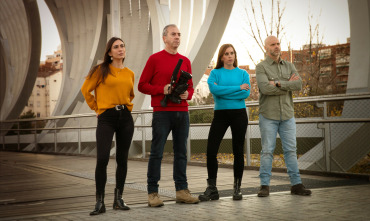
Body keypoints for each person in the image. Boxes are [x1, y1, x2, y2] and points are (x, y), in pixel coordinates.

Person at [138, 24, 199, 207]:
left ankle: (182, 191)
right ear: (164, 38)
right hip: (162, 113)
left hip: (182, 112)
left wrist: (188, 94)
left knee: (181, 153)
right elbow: (142, 85)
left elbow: (190, 86)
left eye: (179, 34)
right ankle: (153, 193)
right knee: (156, 153)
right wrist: (161, 89)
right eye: (173, 34)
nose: (177, 37)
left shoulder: (185, 60)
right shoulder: (154, 59)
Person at [81, 37, 135, 215]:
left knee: (122, 159)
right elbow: (85, 90)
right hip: (106, 117)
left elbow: (130, 95)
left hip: (125, 118)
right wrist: (96, 108)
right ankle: (100, 202)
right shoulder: (100, 70)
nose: (120, 49)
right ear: (110, 52)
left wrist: (126, 107)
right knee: (102, 158)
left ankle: (118, 199)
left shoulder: (130, 73)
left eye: (122, 46)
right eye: (116, 47)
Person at [255, 35, 311, 197]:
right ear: (266, 47)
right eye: (273, 44)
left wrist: (279, 83)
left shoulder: (289, 66)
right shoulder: (261, 67)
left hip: (287, 115)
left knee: (291, 150)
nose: (276, 47)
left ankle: (296, 185)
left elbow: (298, 84)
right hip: (268, 116)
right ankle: (264, 185)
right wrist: (288, 85)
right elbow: (265, 89)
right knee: (267, 151)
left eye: (278, 44)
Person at [199, 44, 250, 201]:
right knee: (211, 150)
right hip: (220, 115)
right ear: (221, 57)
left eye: (232, 53)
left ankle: (237, 189)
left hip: (239, 114)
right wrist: (237, 89)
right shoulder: (214, 73)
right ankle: (212, 189)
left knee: (237, 151)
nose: (230, 56)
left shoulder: (243, 73)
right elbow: (215, 91)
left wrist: (224, 91)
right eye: (227, 54)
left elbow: (245, 93)